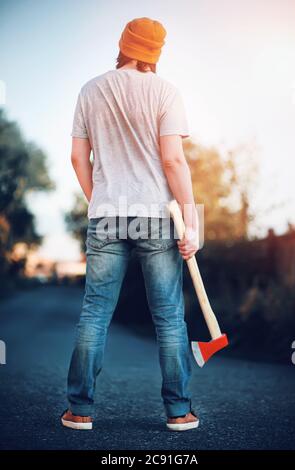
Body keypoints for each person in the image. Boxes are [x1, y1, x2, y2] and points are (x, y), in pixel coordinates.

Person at [61, 17, 200, 432]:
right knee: (169, 317)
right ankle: (179, 412)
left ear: (123, 46)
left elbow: (76, 158)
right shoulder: (165, 92)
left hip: (106, 214)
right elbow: (173, 161)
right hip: (156, 217)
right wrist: (191, 222)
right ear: (156, 54)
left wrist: (99, 201)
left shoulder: (90, 89)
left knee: (94, 314)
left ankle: (79, 411)